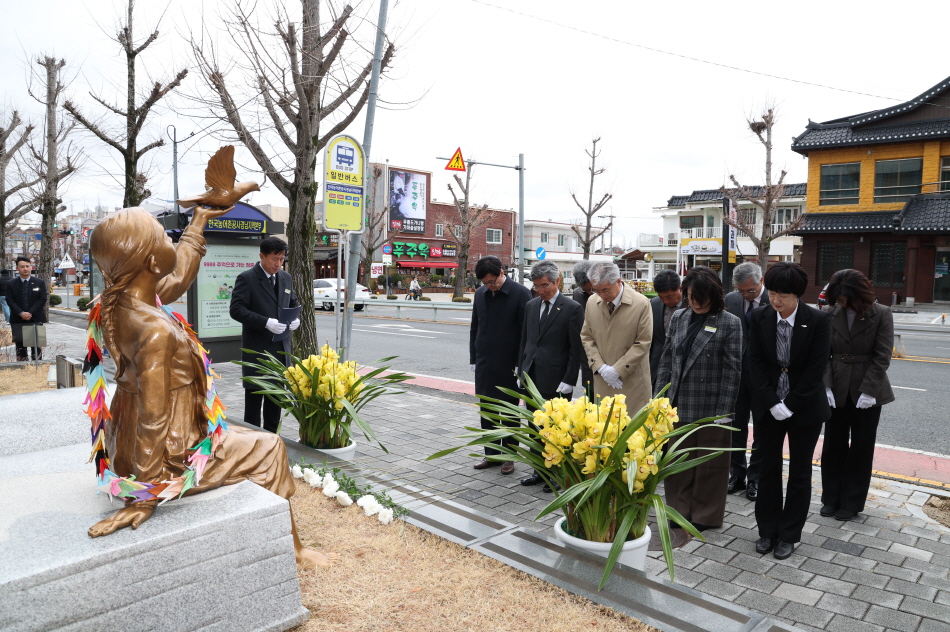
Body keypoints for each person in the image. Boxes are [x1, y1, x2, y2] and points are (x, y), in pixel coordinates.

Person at [84, 206, 333, 568]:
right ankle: (292, 551)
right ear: (152, 261)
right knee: (271, 446)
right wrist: (146, 494)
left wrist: (200, 218)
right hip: (172, 451)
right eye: (162, 237)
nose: (171, 240)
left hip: (128, 442)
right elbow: (153, 417)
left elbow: (180, 275)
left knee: (253, 437)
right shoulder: (153, 328)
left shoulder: (121, 302)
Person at [748, 262, 831, 560]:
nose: (776, 300)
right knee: (767, 468)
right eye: (772, 293)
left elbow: (816, 368)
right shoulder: (759, 317)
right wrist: (772, 402)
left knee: (799, 471)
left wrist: (790, 404)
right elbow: (755, 362)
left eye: (783, 294)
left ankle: (789, 535)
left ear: (797, 294)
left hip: (805, 407)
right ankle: (767, 530)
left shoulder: (817, 321)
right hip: (768, 405)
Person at [653, 266, 742, 531]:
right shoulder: (680, 316)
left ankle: (704, 515)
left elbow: (733, 370)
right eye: (691, 297)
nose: (696, 303)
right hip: (678, 401)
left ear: (715, 295)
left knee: (710, 465)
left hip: (711, 405)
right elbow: (666, 359)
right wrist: (659, 399)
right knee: (677, 460)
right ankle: (678, 511)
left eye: (701, 298)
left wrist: (725, 411)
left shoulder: (729, 322)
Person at [821, 269, 894, 522]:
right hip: (837, 385)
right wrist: (826, 386)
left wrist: (869, 391)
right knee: (833, 445)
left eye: (845, 298)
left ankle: (851, 503)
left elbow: (882, 356)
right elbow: (823, 355)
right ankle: (830, 498)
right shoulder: (829, 314)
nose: (841, 302)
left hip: (868, 389)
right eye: (838, 298)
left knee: (861, 448)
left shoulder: (881, 313)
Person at [517, 260, 584, 491]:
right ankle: (540, 471)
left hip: (556, 379)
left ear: (557, 281)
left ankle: (557, 473)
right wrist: (520, 369)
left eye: (545, 285)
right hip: (531, 375)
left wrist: (569, 379)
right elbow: (525, 340)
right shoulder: (531, 305)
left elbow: (576, 349)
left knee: (556, 430)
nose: (541, 290)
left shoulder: (572, 308)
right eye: (536, 286)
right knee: (534, 426)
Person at [230, 236, 301, 434]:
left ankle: (272, 445)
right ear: (262, 256)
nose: (278, 264)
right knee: (253, 410)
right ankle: (251, 448)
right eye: (274, 259)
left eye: (282, 259)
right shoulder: (247, 278)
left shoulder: (285, 278)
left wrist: (296, 318)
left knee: (275, 407)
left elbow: (293, 302)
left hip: (280, 353)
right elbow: (236, 310)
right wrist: (266, 323)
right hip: (257, 354)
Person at [470, 255, 532, 475]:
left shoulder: (521, 294)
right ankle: (492, 454)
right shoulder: (480, 294)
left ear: (501, 273)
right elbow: (475, 328)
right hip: (485, 363)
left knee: (508, 412)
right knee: (487, 411)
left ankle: (509, 457)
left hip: (509, 365)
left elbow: (526, 333)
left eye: (492, 281)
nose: (489, 286)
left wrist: (520, 364)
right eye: (485, 283)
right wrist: (473, 359)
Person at [580, 262, 653, 412]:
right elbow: (587, 336)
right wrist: (599, 366)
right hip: (603, 378)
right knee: (605, 429)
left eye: (605, 290)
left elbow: (643, 341)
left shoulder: (641, 303)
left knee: (632, 431)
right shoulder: (592, 302)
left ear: (618, 281)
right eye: (596, 290)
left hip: (632, 380)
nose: (601, 295)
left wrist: (618, 370)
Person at [724, 262, 767, 500]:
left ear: (761, 281)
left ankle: (756, 478)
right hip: (736, 375)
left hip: (763, 378)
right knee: (736, 427)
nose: (745, 295)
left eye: (750, 291)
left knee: (762, 429)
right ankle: (736, 475)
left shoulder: (774, 300)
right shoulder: (731, 300)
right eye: (741, 291)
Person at [649, 270, 688, 388]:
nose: (666, 301)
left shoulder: (692, 305)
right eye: (661, 297)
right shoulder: (654, 304)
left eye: (669, 296)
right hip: (657, 367)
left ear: (680, 288)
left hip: (682, 368)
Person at [5, 256, 47, 360]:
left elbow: (42, 298)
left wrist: (30, 312)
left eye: (27, 266)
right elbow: (9, 300)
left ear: (31, 267)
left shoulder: (39, 282)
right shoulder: (11, 284)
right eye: (22, 266)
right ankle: (22, 367)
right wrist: (20, 313)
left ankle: (37, 368)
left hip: (36, 318)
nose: (25, 269)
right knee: (20, 347)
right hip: (18, 319)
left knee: (37, 347)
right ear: (17, 268)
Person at [571, 260, 595, 397]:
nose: (590, 293)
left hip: (606, 349)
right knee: (590, 392)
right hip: (585, 351)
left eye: (592, 289)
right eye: (586, 290)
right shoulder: (577, 294)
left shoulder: (606, 292)